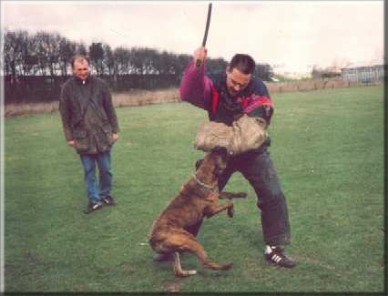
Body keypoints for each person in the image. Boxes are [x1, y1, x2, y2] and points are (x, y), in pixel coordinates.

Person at [178, 47, 296, 268]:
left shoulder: (259, 89)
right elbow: (187, 92)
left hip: (252, 152)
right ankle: (180, 241)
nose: (237, 87)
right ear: (227, 70)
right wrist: (196, 66)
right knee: (197, 197)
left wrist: (222, 127)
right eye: (233, 81)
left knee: (273, 194)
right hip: (220, 153)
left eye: (243, 84)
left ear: (251, 78)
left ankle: (274, 248)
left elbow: (251, 135)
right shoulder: (213, 82)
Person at [59, 54, 120, 214]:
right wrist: (69, 137)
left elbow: (110, 109)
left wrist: (115, 130)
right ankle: (94, 200)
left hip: (102, 135)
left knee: (106, 169)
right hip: (82, 137)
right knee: (89, 171)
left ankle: (105, 195)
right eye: (79, 69)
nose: (83, 72)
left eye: (85, 68)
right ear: (73, 69)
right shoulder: (67, 88)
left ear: (89, 67)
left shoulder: (101, 85)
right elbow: (64, 115)